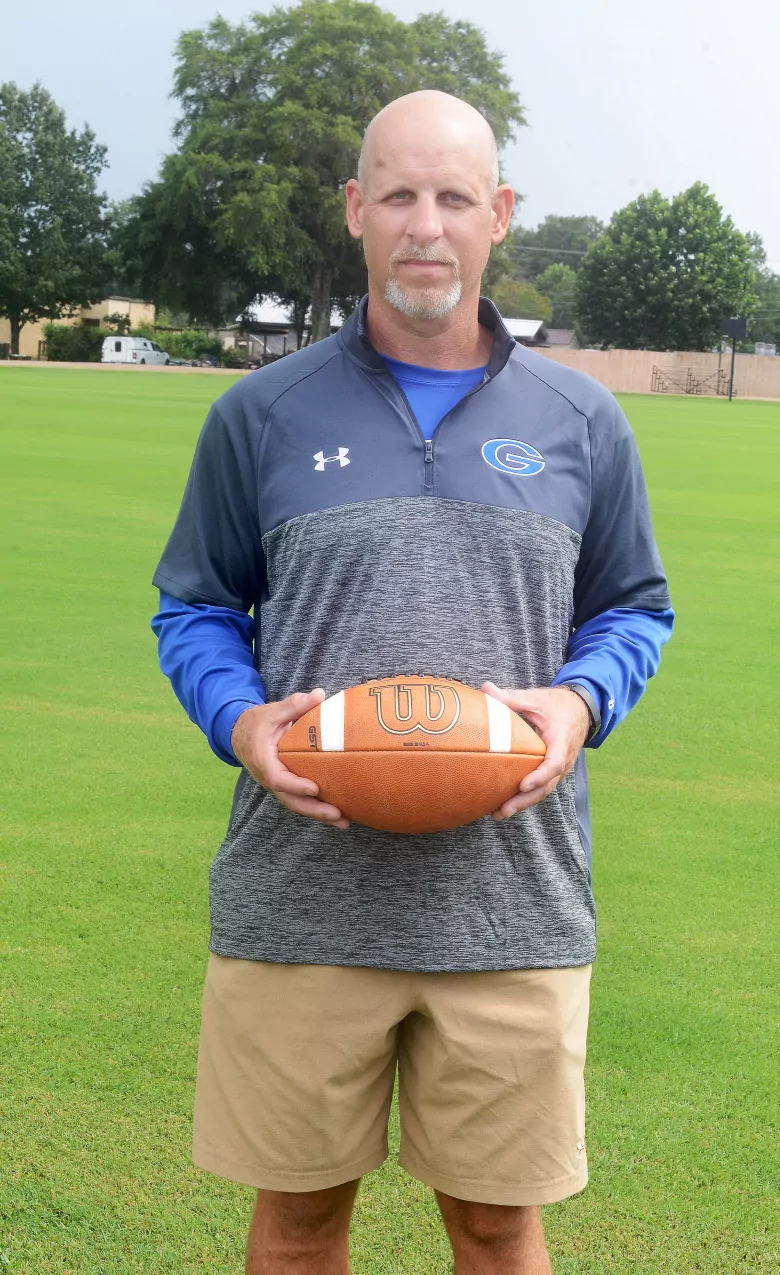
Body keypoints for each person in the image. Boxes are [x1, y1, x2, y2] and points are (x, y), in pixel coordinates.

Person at [152, 90, 673, 1275]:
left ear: (499, 214)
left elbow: (632, 610)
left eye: (452, 197)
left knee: (496, 1226)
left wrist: (580, 700)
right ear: (355, 210)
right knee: (298, 1225)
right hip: (299, 900)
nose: (424, 225)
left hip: (513, 901)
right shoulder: (260, 415)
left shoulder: (582, 420)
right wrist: (239, 720)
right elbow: (195, 605)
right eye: (397, 194)